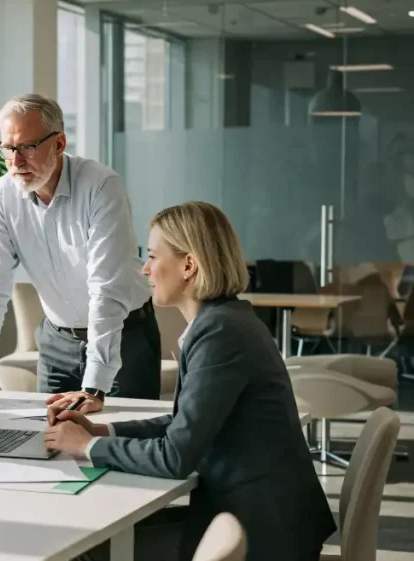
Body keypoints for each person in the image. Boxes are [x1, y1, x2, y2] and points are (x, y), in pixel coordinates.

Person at [44, 201, 336, 561]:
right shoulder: (225, 321)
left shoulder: (221, 333)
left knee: (87, 548)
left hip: (261, 530)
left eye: (152, 256)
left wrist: (85, 447)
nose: (145, 269)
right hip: (257, 511)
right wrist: (101, 433)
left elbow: (175, 456)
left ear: (189, 265)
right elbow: (184, 424)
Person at [0, 94, 158, 411]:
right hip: (56, 342)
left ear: (59, 142)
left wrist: (94, 386)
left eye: (26, 147)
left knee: (121, 445)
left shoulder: (101, 185)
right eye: (8, 149)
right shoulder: (1, 195)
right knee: (47, 441)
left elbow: (107, 288)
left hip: (124, 335)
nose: (16, 161)